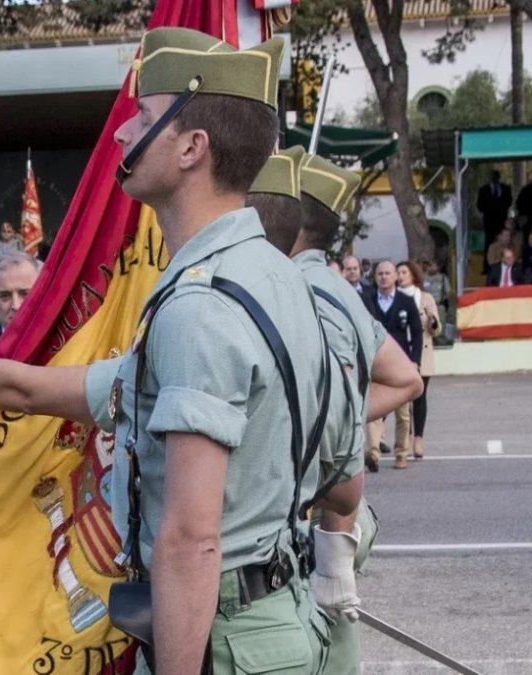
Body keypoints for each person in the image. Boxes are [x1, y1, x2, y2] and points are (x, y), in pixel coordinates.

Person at [0, 29, 331, 674]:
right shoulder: (272, 273)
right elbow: (43, 390)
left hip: (224, 640)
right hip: (271, 619)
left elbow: (190, 540)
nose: (122, 135)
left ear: (191, 147)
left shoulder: (201, 305)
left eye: (142, 118)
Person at [249, 149, 424, 675]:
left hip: (307, 517)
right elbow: (406, 378)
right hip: (337, 523)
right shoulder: (339, 288)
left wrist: (311, 428)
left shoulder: (294, 287)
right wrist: (344, 419)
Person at [361, 261, 422, 470]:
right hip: (375, 362)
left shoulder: (406, 301)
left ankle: (401, 453)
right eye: (380, 274)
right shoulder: (366, 299)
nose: (384, 277)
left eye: (388, 273)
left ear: (396, 276)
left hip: (401, 362)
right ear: (375, 277)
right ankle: (373, 452)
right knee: (374, 406)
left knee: (403, 413)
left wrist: (415, 359)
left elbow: (416, 331)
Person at [397, 260, 441, 461]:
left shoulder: (426, 298)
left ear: (413, 275)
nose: (400, 275)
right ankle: (402, 440)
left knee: (420, 397)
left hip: (422, 352)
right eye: (398, 272)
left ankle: (418, 439)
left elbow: (436, 330)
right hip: (399, 352)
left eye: (404, 272)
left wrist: (432, 321)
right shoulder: (394, 297)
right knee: (401, 399)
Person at [478, 170, 513, 247]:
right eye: (492, 176)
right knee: (489, 242)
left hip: (502, 220)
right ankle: (489, 258)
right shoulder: (484, 190)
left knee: (503, 241)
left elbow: (509, 202)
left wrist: (500, 207)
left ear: (499, 177)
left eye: (496, 176)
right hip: (489, 222)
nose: (494, 178)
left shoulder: (506, 188)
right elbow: (480, 206)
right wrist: (490, 208)